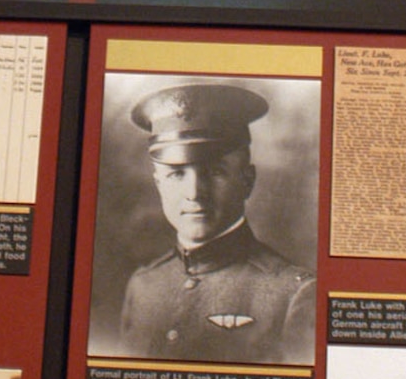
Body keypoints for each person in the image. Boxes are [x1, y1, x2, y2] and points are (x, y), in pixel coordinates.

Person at [118, 80, 314, 363]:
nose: (195, 193)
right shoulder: (143, 286)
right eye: (177, 174)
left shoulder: (294, 295)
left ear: (247, 181)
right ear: (158, 184)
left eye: (215, 172)